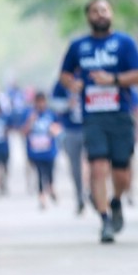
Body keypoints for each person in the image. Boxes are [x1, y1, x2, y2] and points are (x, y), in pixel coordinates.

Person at [59, 0, 138, 244]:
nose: (100, 14)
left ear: (112, 14)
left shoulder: (124, 43)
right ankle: (104, 219)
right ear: (88, 16)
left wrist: (113, 80)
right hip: (93, 116)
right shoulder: (78, 46)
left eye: (104, 10)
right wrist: (72, 83)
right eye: (95, 11)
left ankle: (116, 200)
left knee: (122, 172)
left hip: (120, 114)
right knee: (97, 167)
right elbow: (64, 74)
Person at [50, 80, 88, 214]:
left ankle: (93, 191)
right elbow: (53, 104)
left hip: (89, 127)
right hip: (70, 130)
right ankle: (79, 196)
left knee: (93, 163)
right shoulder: (61, 83)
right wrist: (68, 104)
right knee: (75, 166)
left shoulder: (88, 76)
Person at [22, 92, 61, 210]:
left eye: (42, 101)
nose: (40, 104)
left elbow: (58, 128)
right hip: (35, 152)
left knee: (49, 174)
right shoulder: (29, 114)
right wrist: (30, 122)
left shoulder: (51, 114)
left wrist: (53, 130)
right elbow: (23, 131)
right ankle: (42, 198)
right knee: (39, 175)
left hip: (49, 151)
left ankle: (51, 188)